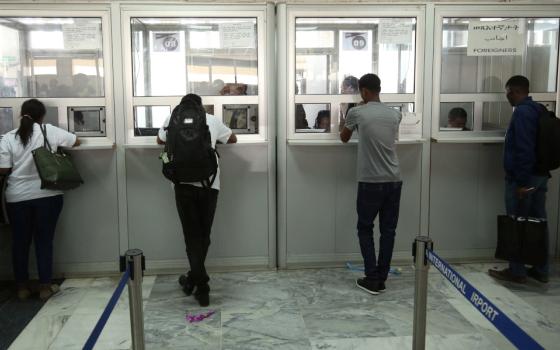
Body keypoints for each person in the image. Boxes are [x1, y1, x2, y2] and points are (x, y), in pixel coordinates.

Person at [157, 93, 237, 306]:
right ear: (201, 106)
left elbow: (160, 140)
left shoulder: (171, 120)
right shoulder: (211, 119)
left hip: (181, 185)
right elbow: (232, 138)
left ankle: (194, 279)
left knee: (191, 235)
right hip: (209, 184)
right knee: (204, 234)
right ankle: (202, 284)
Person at [0, 99, 80, 300]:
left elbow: (3, 169)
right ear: (41, 116)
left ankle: (22, 288)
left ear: (21, 115)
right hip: (47, 195)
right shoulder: (48, 131)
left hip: (17, 198)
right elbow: (75, 141)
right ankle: (45, 286)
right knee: (44, 241)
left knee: (20, 243)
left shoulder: (9, 137)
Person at [340, 73, 402, 295]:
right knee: (389, 231)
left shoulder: (356, 112)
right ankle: (382, 277)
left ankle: (372, 277)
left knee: (365, 229)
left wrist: (346, 115)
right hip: (394, 179)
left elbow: (343, 137)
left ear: (364, 91)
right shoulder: (395, 114)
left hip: (370, 181)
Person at [488, 75, 550, 284]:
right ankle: (541, 269)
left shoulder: (522, 112)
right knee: (538, 222)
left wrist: (522, 183)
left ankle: (517, 270)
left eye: (507, 92)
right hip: (540, 175)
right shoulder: (538, 109)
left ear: (514, 91)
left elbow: (524, 149)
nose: (507, 97)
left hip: (525, 178)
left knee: (516, 223)